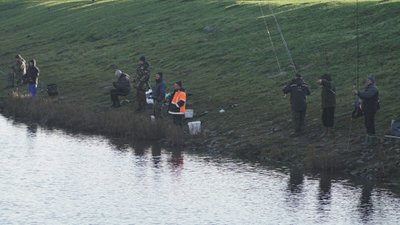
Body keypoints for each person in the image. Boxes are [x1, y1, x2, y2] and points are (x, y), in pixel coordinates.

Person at [353, 75, 379, 144]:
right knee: (367, 123)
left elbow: (367, 95)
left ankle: (372, 140)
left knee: (370, 123)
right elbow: (364, 96)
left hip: (371, 109)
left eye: (368, 80)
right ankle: (369, 139)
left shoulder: (373, 89)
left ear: (371, 81)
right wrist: (358, 97)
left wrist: (358, 93)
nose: (367, 81)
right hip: (367, 109)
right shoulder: (369, 88)